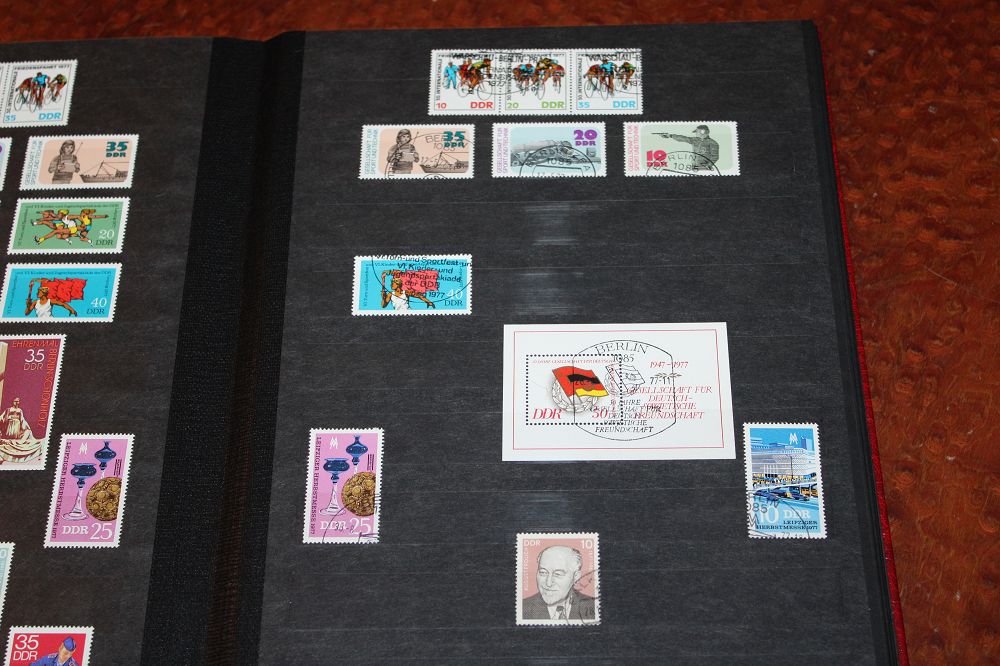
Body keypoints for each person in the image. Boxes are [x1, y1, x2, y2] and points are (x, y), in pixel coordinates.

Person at [521, 545, 596, 621]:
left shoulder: (594, 607)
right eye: (543, 572)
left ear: (576, 577)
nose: (548, 583)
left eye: (558, 574)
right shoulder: (522, 608)